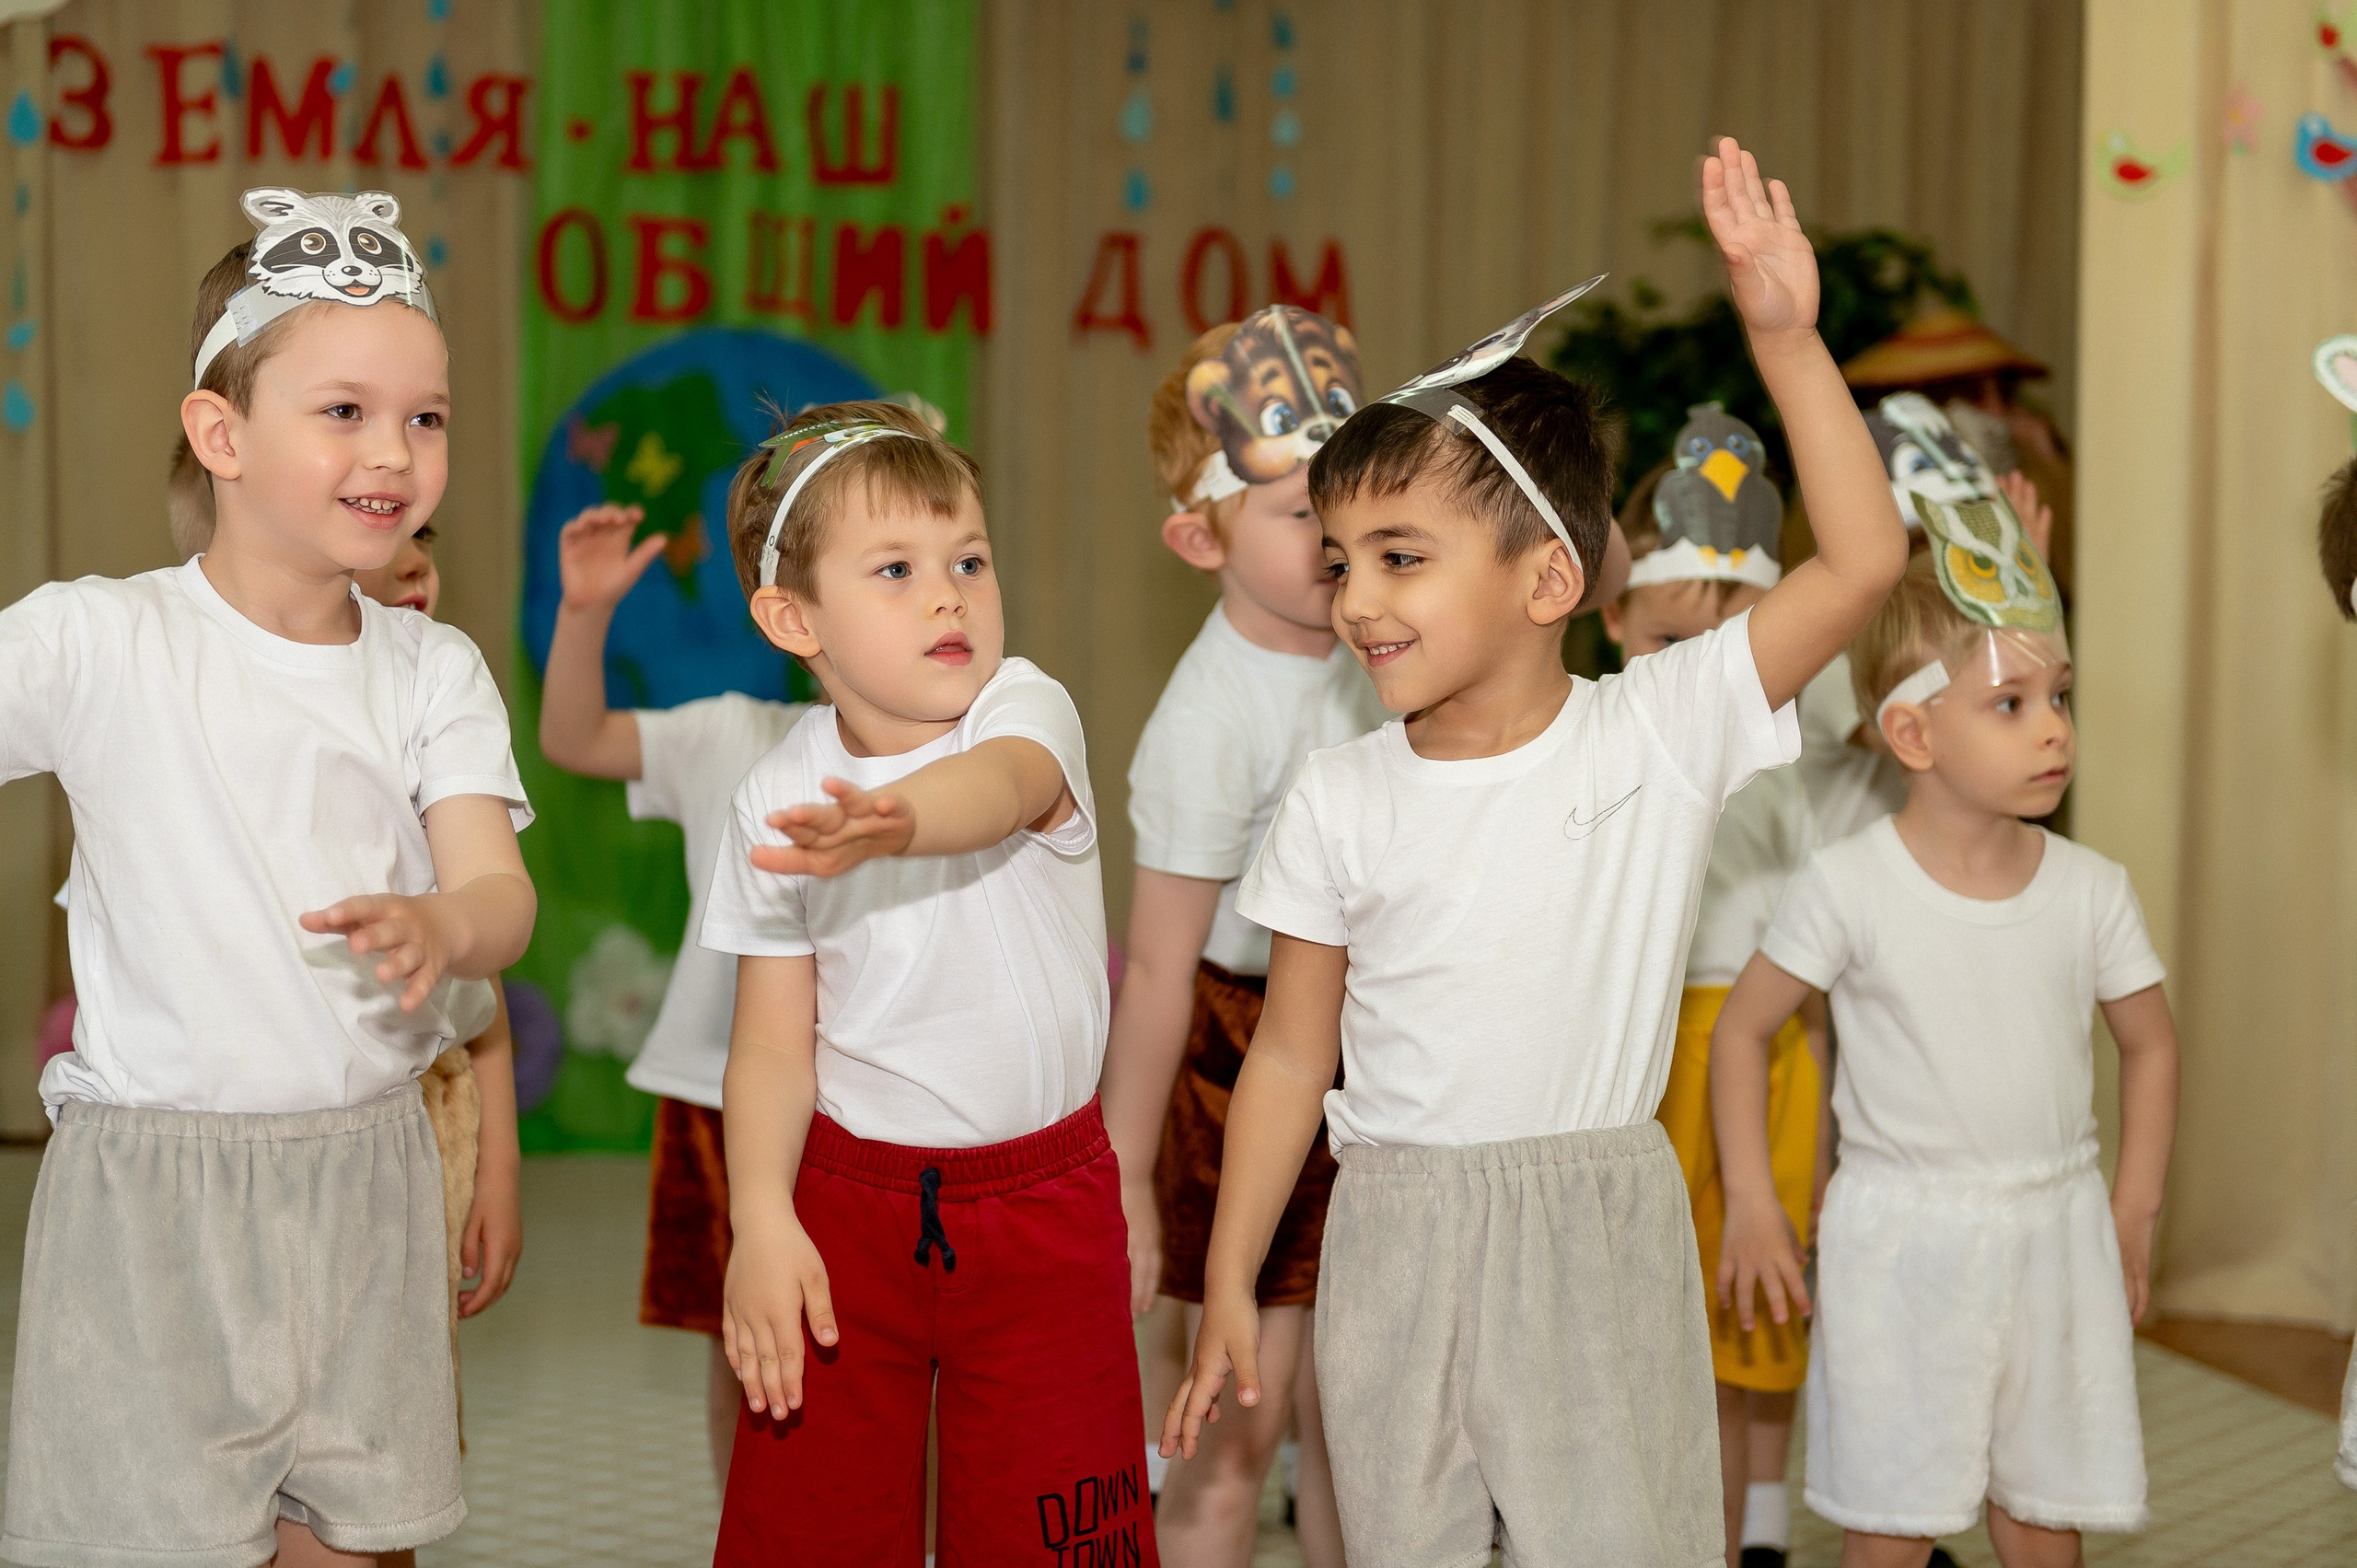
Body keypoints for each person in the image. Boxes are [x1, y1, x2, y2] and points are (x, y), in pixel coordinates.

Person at [1162, 137, 1909, 1566]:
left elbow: (1862, 563)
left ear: (1548, 577)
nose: (1356, 598)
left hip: (1595, 1229)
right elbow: (1286, 1053)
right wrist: (1228, 1271)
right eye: (1338, 559)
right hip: (1393, 1231)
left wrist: (1789, 341)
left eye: (1401, 554)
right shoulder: (1337, 796)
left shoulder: (1659, 730)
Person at [0, 188, 533, 1568]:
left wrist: (442, 918)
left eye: (427, 415)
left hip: (366, 1180)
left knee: (359, 1545)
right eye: (345, 410)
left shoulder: (434, 668)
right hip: (152, 1206)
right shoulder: (99, 640)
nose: (397, 451)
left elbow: (500, 895)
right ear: (222, 434)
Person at [697, 401, 1156, 1564]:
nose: (948, 594)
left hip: (1043, 1204)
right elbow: (767, 1045)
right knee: (811, 1524)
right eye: (896, 569)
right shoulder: (774, 793)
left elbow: (999, 790)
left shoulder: (1020, 708)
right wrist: (761, 1216)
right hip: (846, 1202)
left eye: (968, 560)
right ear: (793, 617)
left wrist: (899, 822)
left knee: (1058, 1530)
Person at [1713, 519, 2178, 1567]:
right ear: (1913, 734)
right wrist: (1754, 1196)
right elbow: (1743, 1031)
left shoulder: (2091, 890)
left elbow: (2150, 1044)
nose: (2052, 728)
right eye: (2009, 704)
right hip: (1899, 1243)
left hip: (2054, 1229)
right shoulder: (1847, 885)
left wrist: (2132, 1207)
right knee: (1889, 1518)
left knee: (2039, 1509)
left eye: (2058, 697)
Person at [1097, 308, 1379, 1567]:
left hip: (1371, 1049)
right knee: (1233, 1417)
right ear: (1196, 533)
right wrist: (1126, 1173)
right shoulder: (1208, 720)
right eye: (1293, 511)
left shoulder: (1381, 645)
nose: (1332, 536)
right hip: (1235, 1059)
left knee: (1359, 1418)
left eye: (1345, 498)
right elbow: (1160, 964)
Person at [536, 499, 808, 1489]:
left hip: (875, 1105)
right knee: (744, 1352)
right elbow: (574, 736)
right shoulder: (727, 732)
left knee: (892, 1355)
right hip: (715, 1091)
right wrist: (584, 614)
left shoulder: (960, 748)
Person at [1601, 419, 1829, 1568]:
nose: (1701, 661)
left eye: (1730, 633)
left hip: (1765, 1058)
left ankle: (1750, 1534)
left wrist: (1827, 1129)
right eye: (1669, 635)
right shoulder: (1598, 748)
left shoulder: (1786, 766)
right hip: (1637, 1067)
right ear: (1611, 621)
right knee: (1648, 1350)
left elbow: (1820, 965)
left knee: (1742, 1332)